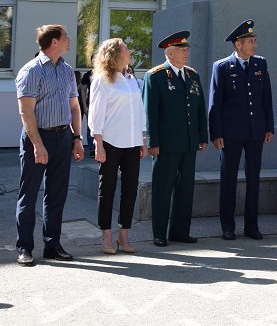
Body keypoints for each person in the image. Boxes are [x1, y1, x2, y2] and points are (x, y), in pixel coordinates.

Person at [14, 25, 85, 266]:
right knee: (29, 193)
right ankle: (24, 247)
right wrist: (37, 144)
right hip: (38, 137)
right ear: (54, 41)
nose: (69, 39)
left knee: (56, 195)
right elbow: (26, 111)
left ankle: (52, 245)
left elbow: (75, 107)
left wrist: (77, 138)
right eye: (66, 36)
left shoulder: (66, 70)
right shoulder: (31, 70)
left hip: (63, 137)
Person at [208, 19, 274, 241]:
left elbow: (266, 98)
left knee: (253, 178)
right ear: (238, 45)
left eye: (255, 40)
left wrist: (268, 127)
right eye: (250, 41)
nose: (254, 45)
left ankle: (251, 226)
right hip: (230, 134)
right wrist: (216, 133)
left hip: (255, 132)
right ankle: (228, 226)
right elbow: (215, 103)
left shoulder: (260, 64)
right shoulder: (222, 67)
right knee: (229, 179)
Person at [144, 30, 208, 247]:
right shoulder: (155, 76)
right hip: (166, 144)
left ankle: (180, 231)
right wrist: (152, 141)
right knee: (163, 188)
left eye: (187, 48)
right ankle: (159, 233)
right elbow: (150, 112)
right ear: (169, 52)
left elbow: (200, 109)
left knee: (185, 189)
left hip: (189, 142)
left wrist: (202, 136)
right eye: (182, 49)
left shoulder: (192, 75)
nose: (187, 52)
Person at [89, 38, 146, 254]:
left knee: (130, 189)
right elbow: (95, 114)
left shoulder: (131, 78)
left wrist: (142, 137)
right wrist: (98, 143)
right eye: (126, 49)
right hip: (111, 142)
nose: (129, 52)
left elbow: (139, 110)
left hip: (132, 142)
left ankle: (124, 235)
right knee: (107, 189)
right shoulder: (102, 80)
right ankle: (106, 236)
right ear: (114, 54)